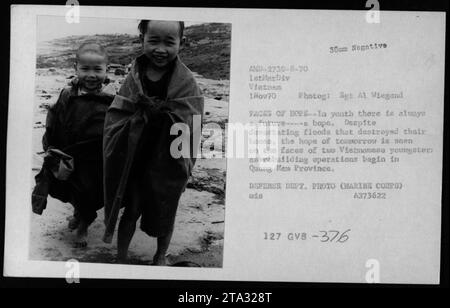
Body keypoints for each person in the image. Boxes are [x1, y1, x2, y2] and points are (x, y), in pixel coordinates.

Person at [102, 20, 204, 265]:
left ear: (181, 43)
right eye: (153, 41)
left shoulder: (186, 80)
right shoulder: (134, 76)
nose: (161, 49)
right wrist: (139, 115)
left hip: (169, 161)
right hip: (137, 157)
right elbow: (118, 112)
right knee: (132, 209)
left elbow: (193, 118)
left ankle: (160, 256)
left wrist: (161, 113)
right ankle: (121, 256)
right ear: (142, 40)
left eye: (169, 42)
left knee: (166, 211)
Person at [32, 42, 116, 247]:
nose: (91, 75)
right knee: (71, 189)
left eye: (98, 69)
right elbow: (56, 119)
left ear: (107, 69)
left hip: (97, 157)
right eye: (85, 69)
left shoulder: (113, 98)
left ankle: (83, 226)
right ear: (76, 68)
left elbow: (120, 126)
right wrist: (51, 144)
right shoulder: (68, 94)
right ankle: (79, 214)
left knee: (91, 192)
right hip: (71, 154)